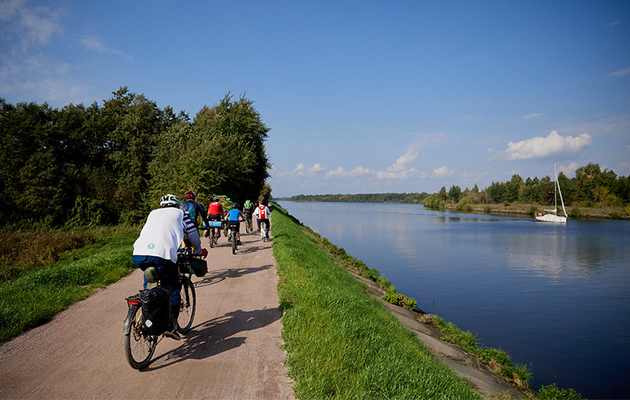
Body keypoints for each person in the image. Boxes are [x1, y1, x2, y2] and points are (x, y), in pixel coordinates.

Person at [132, 194, 207, 340]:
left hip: (139, 254)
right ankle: (171, 326)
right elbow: (193, 235)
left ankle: (146, 314)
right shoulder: (181, 214)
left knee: (150, 284)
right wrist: (198, 251)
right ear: (177, 205)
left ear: (161, 206)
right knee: (173, 287)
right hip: (162, 255)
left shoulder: (152, 214)